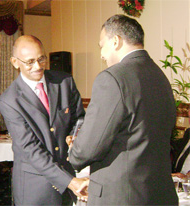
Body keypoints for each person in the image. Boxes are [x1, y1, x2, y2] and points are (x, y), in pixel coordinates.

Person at [68, 14, 178, 205]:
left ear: (116, 41)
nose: (101, 54)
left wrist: (74, 150)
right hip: (159, 193)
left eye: (102, 45)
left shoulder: (112, 78)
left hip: (122, 196)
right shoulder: (161, 77)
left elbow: (89, 147)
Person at [0, 35, 87, 205]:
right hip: (35, 187)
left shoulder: (64, 82)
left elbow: (79, 118)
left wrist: (75, 135)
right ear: (15, 62)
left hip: (67, 180)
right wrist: (69, 181)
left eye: (41, 59)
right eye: (30, 62)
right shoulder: (9, 100)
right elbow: (29, 148)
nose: (38, 66)